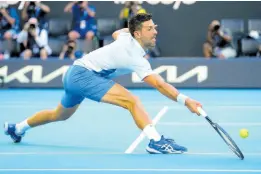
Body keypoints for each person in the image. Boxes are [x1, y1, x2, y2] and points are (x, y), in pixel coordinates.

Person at [4, 13, 202, 154]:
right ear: (138, 34)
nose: (155, 32)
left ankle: (17, 128)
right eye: (150, 29)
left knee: (59, 114)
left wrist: (133, 29)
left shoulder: (127, 37)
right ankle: (155, 141)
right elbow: (159, 84)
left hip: (75, 73)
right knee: (132, 101)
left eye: (155, 27)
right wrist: (187, 101)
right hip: (84, 75)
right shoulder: (134, 56)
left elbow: (118, 33)